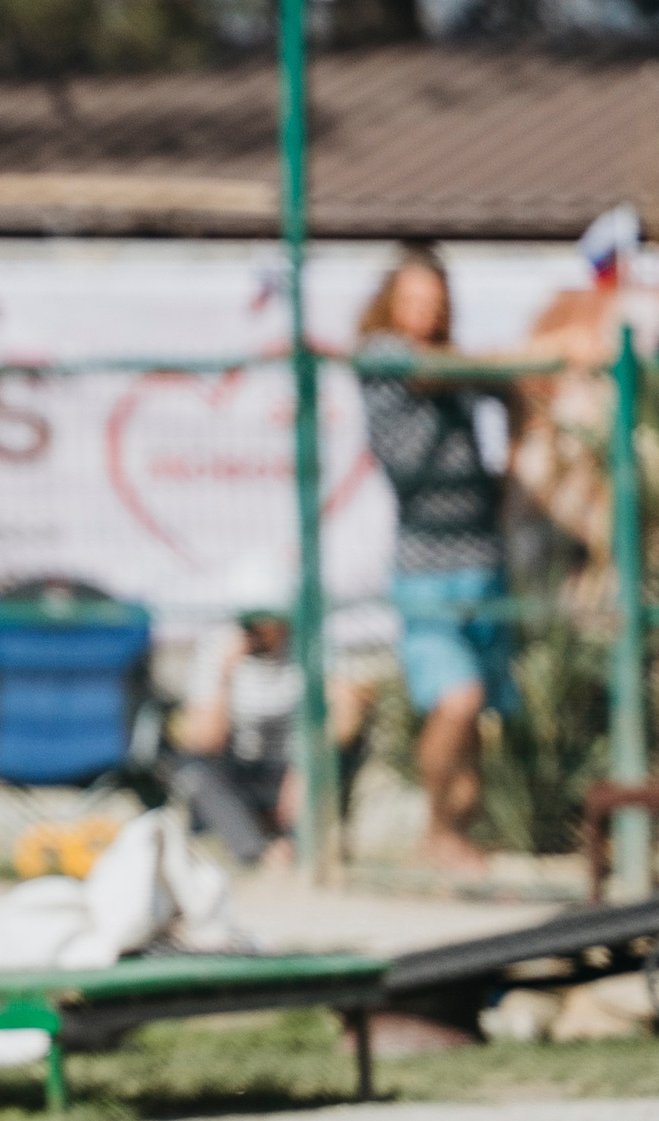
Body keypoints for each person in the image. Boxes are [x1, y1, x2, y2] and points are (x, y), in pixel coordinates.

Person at [356, 244, 515, 875]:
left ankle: (460, 838)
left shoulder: (461, 372)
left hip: (485, 558)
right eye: (412, 300)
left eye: (435, 302)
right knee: (458, 700)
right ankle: (437, 830)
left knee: (479, 713)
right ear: (391, 303)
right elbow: (434, 370)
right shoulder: (384, 356)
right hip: (427, 564)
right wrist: (515, 361)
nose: (424, 311)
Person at [171, 565, 371, 869]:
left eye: (261, 619)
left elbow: (347, 721)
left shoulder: (313, 645)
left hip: (293, 766)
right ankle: (257, 853)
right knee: (192, 768)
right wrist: (225, 677)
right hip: (241, 768)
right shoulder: (217, 647)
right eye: (246, 619)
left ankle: (296, 846)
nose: (252, 628)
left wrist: (307, 764)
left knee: (341, 756)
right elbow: (204, 742)